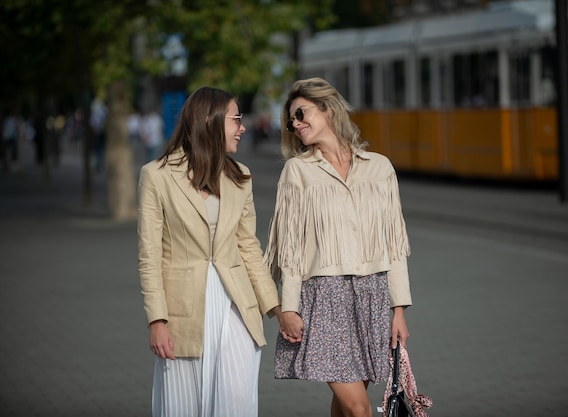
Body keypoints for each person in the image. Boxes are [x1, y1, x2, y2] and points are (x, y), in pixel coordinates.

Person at [263, 77, 413, 417]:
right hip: (324, 297)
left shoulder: (380, 168)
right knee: (360, 410)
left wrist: (399, 309)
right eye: (291, 121)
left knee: (347, 406)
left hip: (371, 296)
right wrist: (288, 307)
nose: (296, 124)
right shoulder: (297, 172)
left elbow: (394, 244)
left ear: (327, 109)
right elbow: (290, 247)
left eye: (301, 114)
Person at [138, 86, 284, 417]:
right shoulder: (156, 176)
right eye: (236, 119)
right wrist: (157, 320)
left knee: (235, 403)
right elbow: (149, 256)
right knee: (182, 405)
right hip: (182, 311)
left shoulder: (241, 176)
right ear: (210, 122)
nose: (243, 127)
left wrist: (276, 308)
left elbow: (248, 246)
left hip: (237, 307)